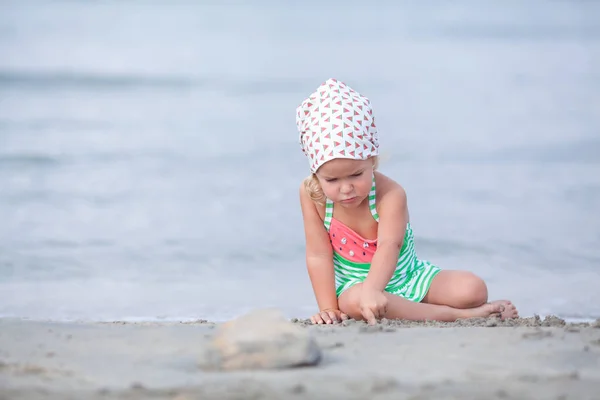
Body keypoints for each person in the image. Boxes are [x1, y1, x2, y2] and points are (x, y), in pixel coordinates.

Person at [295, 78, 519, 325]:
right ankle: (457, 316)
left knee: (473, 289)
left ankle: (408, 306)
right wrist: (328, 308)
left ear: (372, 160)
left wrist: (375, 289)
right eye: (332, 180)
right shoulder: (313, 197)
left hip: (410, 277)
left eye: (356, 175)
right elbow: (318, 255)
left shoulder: (390, 194)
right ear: (316, 174)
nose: (346, 188)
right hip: (356, 287)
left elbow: (389, 245)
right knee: (352, 302)